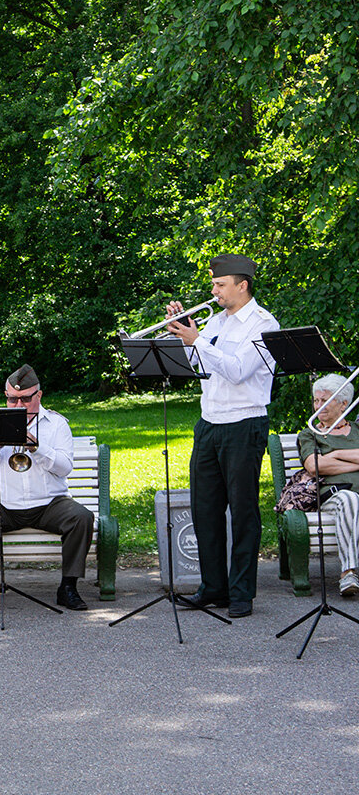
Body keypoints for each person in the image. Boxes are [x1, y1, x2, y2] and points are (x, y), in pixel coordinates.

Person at [167, 254, 279, 618]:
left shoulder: (264, 324)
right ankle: (212, 587)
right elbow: (200, 367)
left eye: (220, 284)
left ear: (242, 285)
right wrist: (187, 337)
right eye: (213, 284)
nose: (213, 290)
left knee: (243, 510)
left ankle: (242, 591)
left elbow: (236, 371)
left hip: (244, 423)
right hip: (210, 422)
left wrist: (198, 340)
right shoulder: (216, 321)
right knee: (205, 509)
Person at [0, 364, 94, 612]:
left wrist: (37, 448)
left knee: (82, 518)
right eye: (12, 399)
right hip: (3, 503)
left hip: (49, 503)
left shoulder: (57, 424)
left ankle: (68, 587)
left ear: (38, 395)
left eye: (25, 399)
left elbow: (65, 468)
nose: (18, 406)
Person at [296, 373, 359, 596]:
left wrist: (337, 454)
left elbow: (326, 461)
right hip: (333, 497)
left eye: (325, 400)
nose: (318, 406)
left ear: (344, 404)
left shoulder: (357, 431)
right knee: (350, 499)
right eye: (316, 400)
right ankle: (348, 572)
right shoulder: (310, 434)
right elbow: (315, 466)